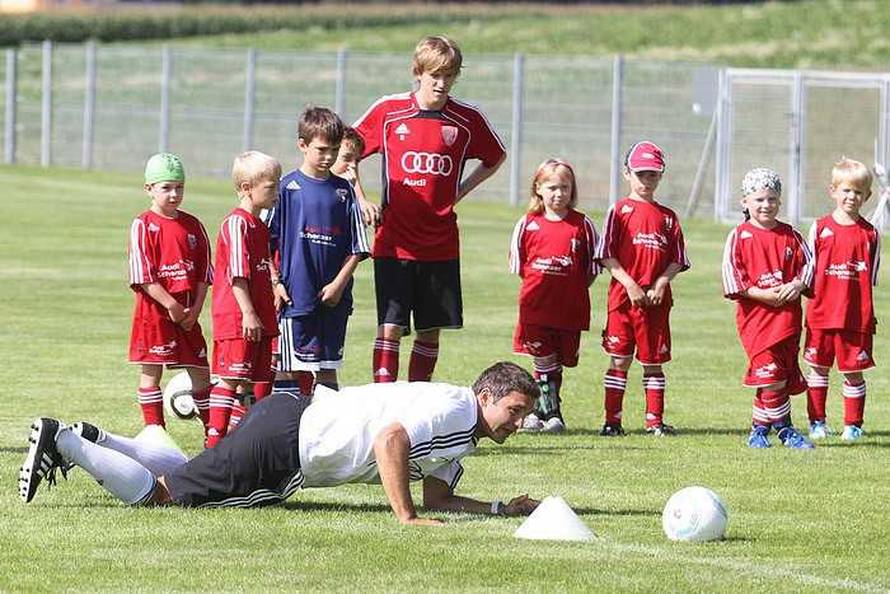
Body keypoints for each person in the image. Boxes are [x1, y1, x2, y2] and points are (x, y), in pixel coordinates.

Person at [19, 361, 541, 525]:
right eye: (515, 411)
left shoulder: (461, 427)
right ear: (486, 395)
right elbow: (391, 440)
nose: (518, 423)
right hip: (288, 448)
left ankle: (96, 437)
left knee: (185, 471)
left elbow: (440, 500)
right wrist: (404, 518)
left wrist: (500, 508)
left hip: (290, 417)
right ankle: (64, 440)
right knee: (163, 497)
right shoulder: (456, 411)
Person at [353, 35, 507, 384]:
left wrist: (460, 190)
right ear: (418, 72)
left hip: (440, 243)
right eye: (434, 75)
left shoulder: (466, 119)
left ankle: (416, 398)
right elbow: (346, 152)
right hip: (393, 240)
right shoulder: (389, 111)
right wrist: (361, 198)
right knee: (390, 327)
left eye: (449, 75)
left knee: (429, 330)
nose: (441, 83)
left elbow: (495, 157)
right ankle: (384, 399)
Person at [267, 108, 371, 397]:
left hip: (335, 298)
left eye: (334, 150)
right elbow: (265, 243)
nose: (329, 157)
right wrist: (275, 283)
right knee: (290, 365)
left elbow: (359, 246)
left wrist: (339, 284)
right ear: (302, 145)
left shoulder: (344, 191)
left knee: (328, 365)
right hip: (295, 295)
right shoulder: (286, 189)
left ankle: (327, 430)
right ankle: (291, 430)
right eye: (322, 149)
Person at [594, 141, 690, 437]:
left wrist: (661, 281)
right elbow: (607, 253)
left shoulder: (668, 217)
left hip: (656, 301)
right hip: (624, 298)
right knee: (620, 359)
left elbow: (678, 259)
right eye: (640, 174)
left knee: (652, 361)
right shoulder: (619, 210)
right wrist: (630, 284)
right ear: (627, 174)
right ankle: (612, 421)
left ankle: (654, 421)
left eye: (652, 175)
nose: (646, 180)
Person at [721, 167, 815, 449]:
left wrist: (797, 285)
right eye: (759, 199)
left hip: (787, 318)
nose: (766, 205)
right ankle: (785, 429)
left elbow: (810, 266)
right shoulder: (739, 235)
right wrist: (761, 294)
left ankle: (759, 429)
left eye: (772, 199)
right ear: (745, 202)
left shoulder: (792, 236)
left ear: (780, 201)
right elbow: (731, 276)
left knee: (779, 376)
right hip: (757, 321)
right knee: (771, 374)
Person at [509, 159, 599, 433]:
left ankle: (538, 411)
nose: (558, 193)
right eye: (552, 187)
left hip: (569, 309)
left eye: (565, 187)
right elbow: (521, 267)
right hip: (535, 308)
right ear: (538, 188)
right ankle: (552, 413)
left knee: (557, 362)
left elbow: (592, 269)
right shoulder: (528, 224)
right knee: (543, 359)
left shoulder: (582, 225)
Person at [127, 153, 213, 432]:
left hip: (188, 313)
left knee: (201, 371)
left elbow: (204, 273)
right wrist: (171, 305)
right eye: (166, 187)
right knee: (152, 371)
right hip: (155, 314)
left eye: (179, 187)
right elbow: (143, 275)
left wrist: (195, 309)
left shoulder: (194, 226)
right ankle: (157, 435)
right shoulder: (143, 225)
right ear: (149, 189)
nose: (174, 194)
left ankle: (215, 434)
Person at [206, 151, 282, 448]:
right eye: (270, 186)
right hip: (239, 319)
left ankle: (242, 448)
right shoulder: (236, 224)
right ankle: (212, 447)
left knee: (253, 384)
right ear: (247, 187)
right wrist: (249, 313)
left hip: (259, 318)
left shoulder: (259, 226)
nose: (276, 192)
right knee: (230, 379)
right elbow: (237, 276)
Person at [803, 158, 880, 442]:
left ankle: (853, 425)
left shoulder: (871, 234)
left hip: (855, 317)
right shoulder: (819, 228)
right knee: (818, 369)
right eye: (846, 190)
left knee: (853, 373)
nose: (852, 197)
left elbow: (870, 279)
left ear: (867, 196)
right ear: (833, 190)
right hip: (821, 314)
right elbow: (808, 270)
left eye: (858, 192)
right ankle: (817, 423)